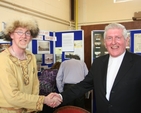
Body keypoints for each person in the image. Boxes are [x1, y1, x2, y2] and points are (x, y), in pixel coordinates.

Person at [50, 23, 141, 113]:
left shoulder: (138, 63)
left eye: (118, 37)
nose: (113, 42)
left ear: (127, 40)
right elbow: (83, 85)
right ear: (105, 43)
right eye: (109, 38)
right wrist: (61, 97)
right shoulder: (98, 63)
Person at [0, 17, 61, 113]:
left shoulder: (31, 57)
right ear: (11, 34)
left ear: (31, 36)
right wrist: (44, 100)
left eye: (27, 32)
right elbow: (12, 96)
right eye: (19, 32)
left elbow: (35, 86)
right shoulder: (3, 59)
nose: (24, 36)